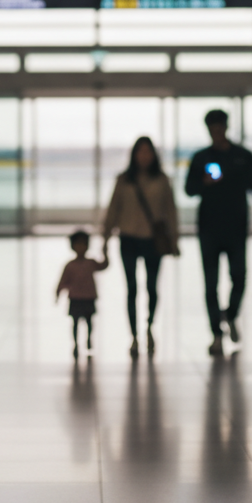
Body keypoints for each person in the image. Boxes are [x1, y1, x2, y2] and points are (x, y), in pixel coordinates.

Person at [185, 109, 252, 356]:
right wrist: (204, 183)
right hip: (209, 229)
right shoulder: (201, 158)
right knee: (210, 283)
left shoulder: (243, 157)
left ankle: (231, 314)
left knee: (239, 277)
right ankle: (216, 332)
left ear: (226, 127)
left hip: (236, 227)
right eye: (212, 128)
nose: (217, 131)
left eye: (220, 127)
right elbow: (188, 189)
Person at [103, 136, 180, 358]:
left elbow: (170, 211)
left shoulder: (162, 180)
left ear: (153, 155)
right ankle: (134, 335)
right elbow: (113, 209)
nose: (144, 156)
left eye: (148, 152)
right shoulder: (124, 180)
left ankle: (149, 326)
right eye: (141, 151)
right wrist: (106, 238)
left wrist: (174, 239)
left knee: (152, 287)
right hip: (128, 237)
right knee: (131, 288)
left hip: (153, 240)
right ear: (134, 154)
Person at [56, 231, 109, 359]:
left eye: (83, 244)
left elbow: (104, 265)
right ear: (72, 246)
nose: (81, 247)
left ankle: (88, 340)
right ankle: (75, 344)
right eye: (78, 244)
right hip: (75, 299)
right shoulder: (70, 265)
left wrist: (106, 253)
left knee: (89, 322)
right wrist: (58, 293)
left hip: (89, 298)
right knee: (75, 323)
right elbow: (63, 281)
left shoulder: (91, 263)